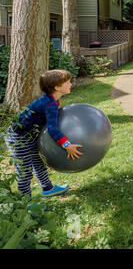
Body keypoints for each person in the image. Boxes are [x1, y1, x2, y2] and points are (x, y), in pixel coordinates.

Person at [4, 69, 83, 198]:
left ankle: (48, 188)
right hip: (18, 137)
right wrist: (67, 145)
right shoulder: (50, 104)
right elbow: (52, 129)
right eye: (68, 82)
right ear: (57, 87)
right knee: (25, 171)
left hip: (29, 135)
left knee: (38, 162)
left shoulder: (51, 100)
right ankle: (25, 201)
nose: (71, 84)